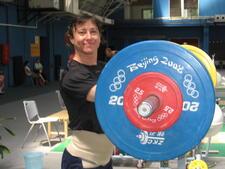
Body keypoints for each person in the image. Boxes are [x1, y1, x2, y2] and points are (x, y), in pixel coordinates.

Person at [60, 15, 114, 169]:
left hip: (105, 160)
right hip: (81, 161)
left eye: (93, 31)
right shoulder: (72, 76)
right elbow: (107, 97)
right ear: (71, 38)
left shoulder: (106, 68)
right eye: (82, 32)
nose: (89, 37)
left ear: (99, 36)